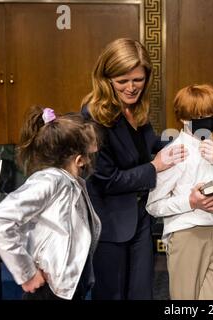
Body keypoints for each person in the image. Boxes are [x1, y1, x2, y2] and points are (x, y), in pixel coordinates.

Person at [81, 38, 186, 300]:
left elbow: (146, 145)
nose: (131, 88)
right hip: (110, 225)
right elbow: (107, 179)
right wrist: (155, 167)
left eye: (137, 80)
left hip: (139, 217)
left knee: (142, 293)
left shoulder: (137, 108)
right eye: (122, 81)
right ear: (106, 78)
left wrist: (186, 141)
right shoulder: (92, 116)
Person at [0, 106, 101, 300]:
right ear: (79, 160)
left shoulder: (73, 183)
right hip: (49, 290)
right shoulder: (50, 180)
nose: (96, 151)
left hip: (69, 286)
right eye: (91, 150)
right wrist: (27, 272)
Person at [146, 84, 213, 300]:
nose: (206, 121)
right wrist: (190, 201)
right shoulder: (173, 152)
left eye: (212, 115)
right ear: (183, 118)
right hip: (186, 233)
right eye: (199, 116)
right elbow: (153, 205)